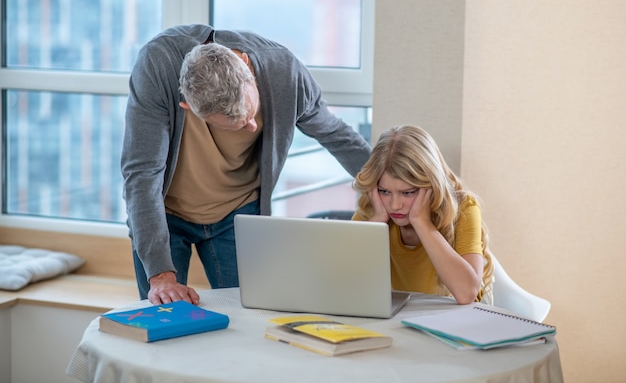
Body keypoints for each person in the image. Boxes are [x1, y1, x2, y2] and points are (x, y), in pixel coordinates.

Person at [121, 24, 371, 306]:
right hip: (164, 216)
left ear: (245, 64)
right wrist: (160, 275)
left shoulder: (284, 72)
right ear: (189, 106)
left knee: (253, 315)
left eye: (251, 114)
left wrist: (389, 185)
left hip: (238, 212)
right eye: (237, 126)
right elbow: (142, 175)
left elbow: (336, 135)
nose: (253, 127)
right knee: (165, 317)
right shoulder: (157, 66)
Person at [352, 125, 492, 304]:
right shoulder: (374, 209)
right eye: (385, 191)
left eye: (408, 192)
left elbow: (466, 293)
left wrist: (422, 222)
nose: (395, 205)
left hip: (456, 320)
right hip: (397, 322)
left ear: (432, 185)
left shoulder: (464, 208)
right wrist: (376, 222)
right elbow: (338, 282)